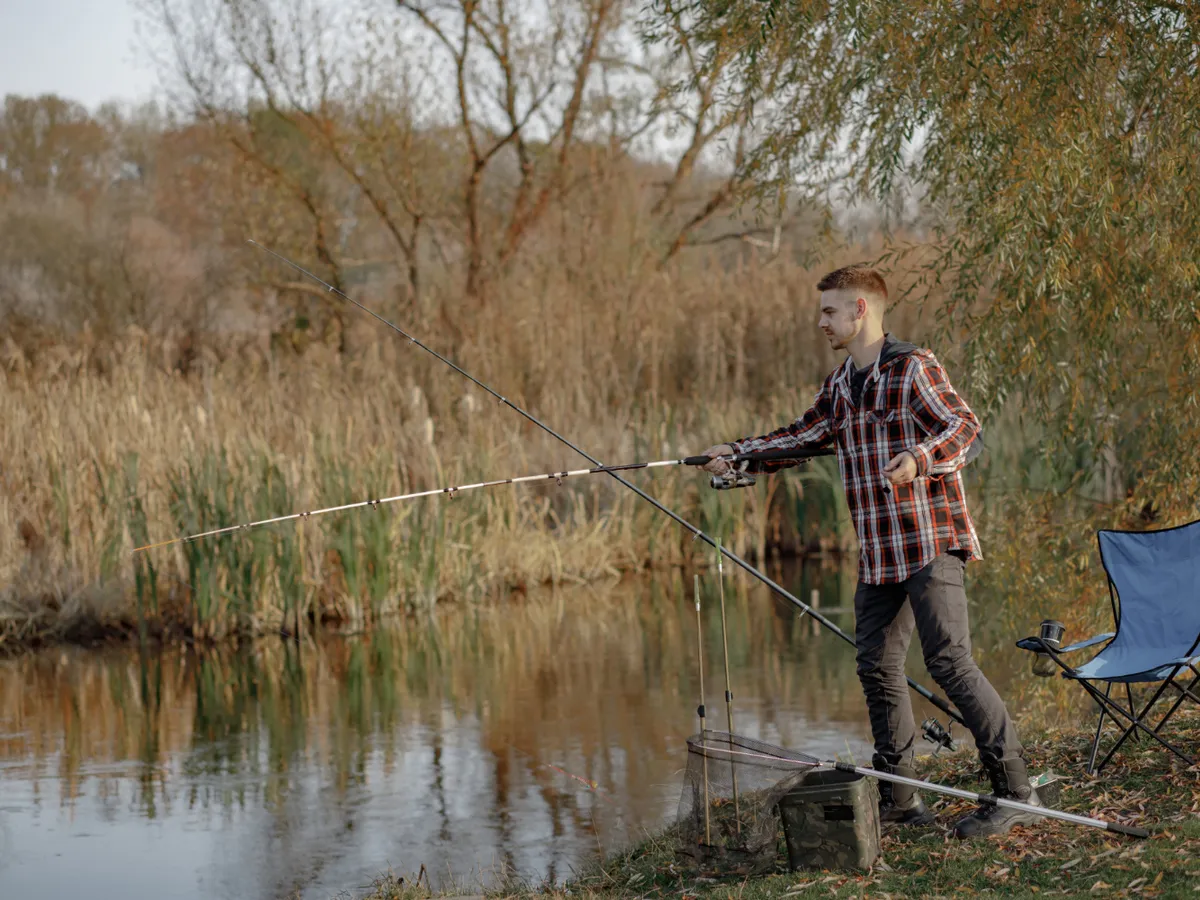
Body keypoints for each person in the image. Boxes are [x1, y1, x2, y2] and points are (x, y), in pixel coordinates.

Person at [701, 265, 1039, 838]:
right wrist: (737, 454)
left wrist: (919, 459)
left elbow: (966, 427)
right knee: (877, 668)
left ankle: (1016, 791)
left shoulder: (912, 367)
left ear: (861, 310)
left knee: (949, 663)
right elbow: (801, 437)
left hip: (929, 542)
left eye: (830, 311)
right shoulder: (839, 386)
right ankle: (900, 800)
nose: (821, 321)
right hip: (879, 553)